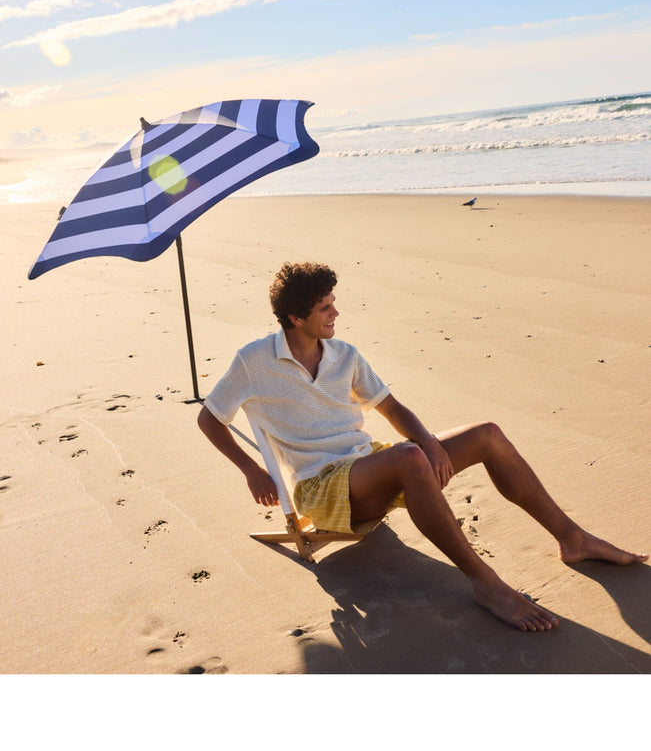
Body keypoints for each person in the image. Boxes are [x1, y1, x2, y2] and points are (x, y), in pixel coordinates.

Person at [197, 262, 648, 632]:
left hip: (368, 463)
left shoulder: (344, 355)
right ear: (296, 318)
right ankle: (485, 582)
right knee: (409, 455)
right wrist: (252, 470)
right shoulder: (255, 361)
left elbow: (393, 409)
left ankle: (572, 538)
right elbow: (210, 418)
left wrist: (430, 441)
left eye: (334, 304)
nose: (336, 313)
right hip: (320, 487)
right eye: (325, 308)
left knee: (487, 433)